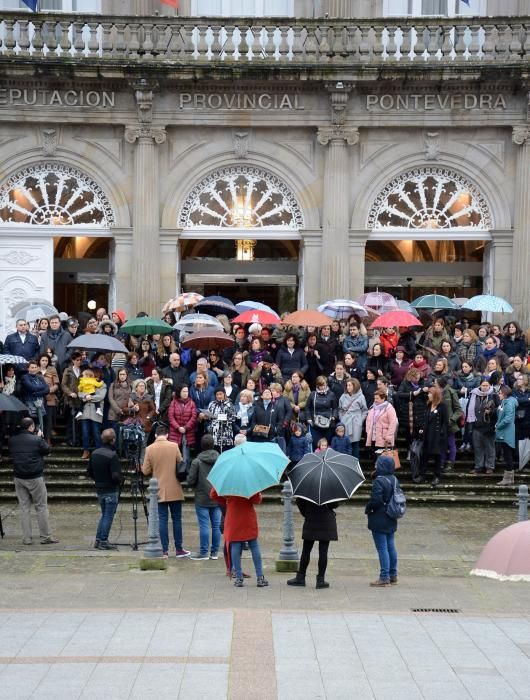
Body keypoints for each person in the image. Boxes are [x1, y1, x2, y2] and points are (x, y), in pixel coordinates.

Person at [141, 423, 189, 558]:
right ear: (167, 434)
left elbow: (145, 471)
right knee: (177, 519)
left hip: (159, 489)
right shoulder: (174, 446)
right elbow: (180, 463)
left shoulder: (149, 449)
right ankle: (179, 549)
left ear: (156, 435)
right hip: (174, 488)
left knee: (162, 520)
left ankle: (164, 550)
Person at [8, 416, 58, 545]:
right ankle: (46, 536)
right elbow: (47, 450)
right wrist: (40, 437)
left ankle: (27, 538)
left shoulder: (12, 440)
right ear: (31, 427)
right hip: (35, 477)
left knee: (24, 508)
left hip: (19, 477)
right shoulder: (36, 440)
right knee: (41, 507)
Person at [210, 488, 268, 588]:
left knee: (235, 545)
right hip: (248, 516)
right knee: (253, 545)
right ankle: (260, 577)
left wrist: (227, 501)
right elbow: (257, 500)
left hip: (233, 516)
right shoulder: (249, 480)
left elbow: (213, 494)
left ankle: (239, 578)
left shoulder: (227, 479)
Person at [287, 498, 338, 589]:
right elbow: (334, 504)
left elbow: (300, 502)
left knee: (306, 550)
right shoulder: (330, 487)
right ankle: (320, 580)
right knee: (323, 551)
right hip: (326, 521)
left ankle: (301, 577)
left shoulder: (307, 486)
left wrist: (307, 513)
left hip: (311, 519)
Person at [365, 454, 399, 587]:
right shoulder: (394, 479)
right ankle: (393, 574)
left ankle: (384, 576)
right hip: (391, 515)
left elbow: (376, 500)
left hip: (380, 517)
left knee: (382, 548)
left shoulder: (379, 481)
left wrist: (368, 508)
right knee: (391, 545)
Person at [187, 434, 222, 560]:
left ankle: (203, 552)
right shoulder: (220, 460)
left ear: (201, 446)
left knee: (204, 525)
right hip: (217, 497)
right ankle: (214, 552)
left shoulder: (197, 461)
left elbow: (190, 481)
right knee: (216, 525)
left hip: (202, 497)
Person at [87, 428, 122, 550]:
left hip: (100, 488)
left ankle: (98, 539)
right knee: (108, 516)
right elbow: (115, 475)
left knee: (104, 515)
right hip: (110, 489)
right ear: (113, 440)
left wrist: (97, 479)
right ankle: (103, 540)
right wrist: (120, 480)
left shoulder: (95, 453)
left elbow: (89, 471)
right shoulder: (112, 456)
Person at [466, 378, 500, 476]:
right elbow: (469, 409)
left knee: (490, 448)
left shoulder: (494, 395)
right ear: (480, 385)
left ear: (490, 386)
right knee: (478, 448)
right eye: (483, 385)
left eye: (487, 385)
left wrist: (491, 411)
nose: (485, 387)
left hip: (489, 426)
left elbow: (499, 409)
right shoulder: (473, 394)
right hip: (476, 425)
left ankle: (490, 467)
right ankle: (478, 466)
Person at [417, 385, 448, 487]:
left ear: (435, 395)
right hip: (427, 435)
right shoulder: (428, 405)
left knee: (437, 457)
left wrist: (442, 435)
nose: (428, 395)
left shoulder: (442, 406)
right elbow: (425, 419)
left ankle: (437, 476)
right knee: (424, 456)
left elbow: (445, 422)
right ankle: (422, 475)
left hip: (437, 436)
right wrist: (422, 428)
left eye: (430, 393)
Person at [495, 385, 519, 486]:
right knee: (507, 455)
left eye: (500, 393)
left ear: (504, 394)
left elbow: (508, 418)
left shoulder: (509, 403)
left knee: (507, 456)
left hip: (506, 433)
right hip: (504, 432)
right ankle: (510, 478)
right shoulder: (505, 402)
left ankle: (507, 479)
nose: (498, 394)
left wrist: (498, 426)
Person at [338, 378, 368, 458]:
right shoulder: (343, 396)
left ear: (355, 386)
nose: (348, 387)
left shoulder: (361, 397)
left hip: (356, 422)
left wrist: (360, 421)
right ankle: (347, 463)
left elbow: (365, 410)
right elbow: (340, 409)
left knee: (355, 444)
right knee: (346, 443)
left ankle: (355, 463)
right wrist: (342, 419)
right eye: (347, 385)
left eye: (350, 385)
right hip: (345, 421)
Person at [365, 389, 399, 455]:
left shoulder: (389, 408)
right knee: (375, 457)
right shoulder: (372, 408)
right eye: (374, 398)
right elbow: (368, 421)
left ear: (383, 398)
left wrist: (389, 436)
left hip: (385, 438)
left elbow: (393, 423)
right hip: (373, 437)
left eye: (377, 398)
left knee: (383, 457)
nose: (375, 400)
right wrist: (368, 431)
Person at [20, 360, 50, 431]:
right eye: (32, 367)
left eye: (35, 367)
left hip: (40, 404)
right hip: (30, 404)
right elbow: (32, 387)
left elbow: (47, 390)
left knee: (42, 424)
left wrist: (38, 393)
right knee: (31, 424)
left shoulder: (40, 377)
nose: (34, 369)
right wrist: (43, 386)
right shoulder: (25, 377)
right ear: (28, 368)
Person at [168, 384, 198, 450]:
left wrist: (186, 427)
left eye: (186, 391)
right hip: (175, 432)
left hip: (188, 432)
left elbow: (193, 417)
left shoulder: (192, 403)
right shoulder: (173, 403)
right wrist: (178, 427)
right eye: (183, 391)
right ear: (179, 392)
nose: (185, 393)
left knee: (186, 456)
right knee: (174, 455)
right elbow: (171, 417)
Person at [38, 353, 59, 444]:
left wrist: (48, 391)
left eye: (46, 360)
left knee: (48, 420)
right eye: (43, 360)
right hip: (38, 399)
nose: (44, 362)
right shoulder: (36, 369)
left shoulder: (52, 369)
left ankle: (48, 440)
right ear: (39, 361)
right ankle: (39, 440)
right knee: (39, 419)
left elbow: (56, 385)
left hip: (50, 398)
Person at [207, 386, 236, 451]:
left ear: (224, 394)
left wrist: (218, 417)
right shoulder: (212, 404)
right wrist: (205, 415)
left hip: (226, 434)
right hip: (214, 434)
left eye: (220, 394)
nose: (219, 396)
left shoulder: (229, 404)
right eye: (217, 394)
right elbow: (209, 416)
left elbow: (233, 418)